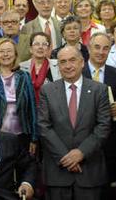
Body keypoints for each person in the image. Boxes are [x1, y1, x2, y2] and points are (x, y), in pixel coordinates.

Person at [38, 46, 110, 199]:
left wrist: (81, 153)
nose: (68, 66)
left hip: (89, 171)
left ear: (82, 62)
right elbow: (44, 127)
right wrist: (66, 157)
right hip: (58, 172)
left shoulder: (100, 90)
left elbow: (103, 126)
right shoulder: (47, 90)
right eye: (63, 62)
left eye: (72, 60)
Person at [83, 33, 116, 190]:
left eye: (105, 48)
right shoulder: (77, 72)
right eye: (96, 47)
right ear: (88, 48)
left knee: (107, 187)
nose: (101, 52)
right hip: (82, 137)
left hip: (109, 139)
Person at [0, 39, 39, 154]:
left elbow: (32, 108)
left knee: (23, 170)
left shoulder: (24, 76)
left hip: (22, 137)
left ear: (15, 54)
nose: (5, 55)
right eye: (1, 51)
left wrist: (34, 138)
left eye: (9, 51)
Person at [19, 32, 61, 104]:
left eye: (44, 44)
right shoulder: (21, 68)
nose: (40, 47)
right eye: (36, 44)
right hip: (29, 109)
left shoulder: (58, 65)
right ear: (30, 49)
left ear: (48, 49)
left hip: (52, 107)